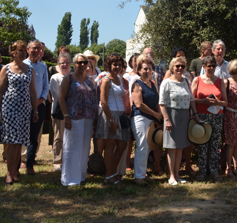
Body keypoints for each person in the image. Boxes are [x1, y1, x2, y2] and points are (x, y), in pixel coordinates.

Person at [0, 40, 38, 186]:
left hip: (25, 109)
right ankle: (9, 173)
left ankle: (15, 171)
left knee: (20, 143)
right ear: (13, 53)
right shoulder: (6, 68)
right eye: (20, 50)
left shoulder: (30, 69)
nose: (23, 52)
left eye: (24, 50)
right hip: (10, 108)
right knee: (12, 142)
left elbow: (32, 91)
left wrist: (35, 109)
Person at [57, 53, 98, 186]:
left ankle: (80, 177)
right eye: (79, 62)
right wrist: (66, 116)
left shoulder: (90, 80)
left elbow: (94, 100)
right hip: (74, 118)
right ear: (74, 64)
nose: (82, 65)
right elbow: (61, 97)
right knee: (72, 148)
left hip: (88, 118)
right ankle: (69, 179)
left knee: (84, 148)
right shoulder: (69, 78)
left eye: (84, 62)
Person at [159, 56, 199, 185]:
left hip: (184, 116)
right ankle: (171, 176)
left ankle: (177, 174)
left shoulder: (186, 81)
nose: (180, 68)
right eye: (177, 66)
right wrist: (167, 120)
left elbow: (191, 99)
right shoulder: (166, 82)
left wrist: (195, 114)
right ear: (172, 67)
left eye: (182, 66)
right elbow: (162, 103)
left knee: (180, 148)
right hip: (172, 115)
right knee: (171, 148)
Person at [95, 54, 131, 185]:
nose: (117, 67)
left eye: (119, 65)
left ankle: (113, 172)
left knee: (122, 144)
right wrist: (110, 121)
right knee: (110, 145)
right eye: (114, 64)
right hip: (109, 114)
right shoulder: (105, 80)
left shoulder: (120, 79)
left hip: (121, 115)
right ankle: (109, 175)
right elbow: (103, 102)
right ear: (109, 66)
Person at [192, 56, 228, 181]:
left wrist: (218, 102)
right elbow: (191, 100)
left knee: (214, 144)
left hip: (217, 116)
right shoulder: (197, 80)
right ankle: (202, 171)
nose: (211, 68)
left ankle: (213, 170)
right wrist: (203, 101)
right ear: (204, 66)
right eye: (209, 66)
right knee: (202, 144)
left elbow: (226, 102)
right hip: (202, 116)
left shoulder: (220, 81)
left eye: (213, 66)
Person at [130, 55, 164, 185]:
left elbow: (158, 101)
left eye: (150, 68)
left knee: (148, 146)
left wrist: (159, 114)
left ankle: (142, 174)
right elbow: (139, 104)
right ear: (139, 70)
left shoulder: (153, 83)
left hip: (151, 119)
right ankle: (138, 177)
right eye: (145, 68)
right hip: (140, 118)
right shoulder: (137, 84)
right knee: (142, 146)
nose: (147, 71)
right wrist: (155, 114)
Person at [23, 40, 49, 175]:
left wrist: (41, 100)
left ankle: (29, 165)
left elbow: (46, 86)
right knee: (21, 136)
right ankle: (16, 165)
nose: (36, 50)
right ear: (28, 50)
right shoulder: (22, 65)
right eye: (33, 48)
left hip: (39, 106)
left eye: (38, 48)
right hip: (23, 106)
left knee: (34, 137)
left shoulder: (43, 67)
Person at [49, 53, 72, 172]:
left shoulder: (73, 77)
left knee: (69, 137)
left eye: (67, 62)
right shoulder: (55, 78)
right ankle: (57, 161)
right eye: (62, 63)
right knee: (59, 137)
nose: (64, 65)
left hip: (72, 111)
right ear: (58, 65)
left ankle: (67, 160)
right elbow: (57, 95)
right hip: (59, 110)